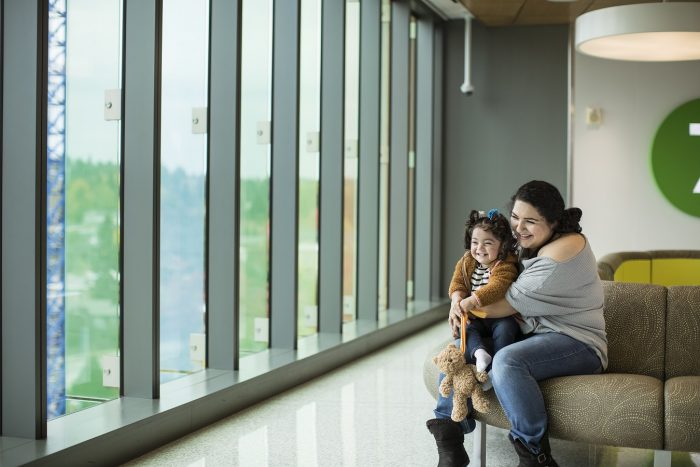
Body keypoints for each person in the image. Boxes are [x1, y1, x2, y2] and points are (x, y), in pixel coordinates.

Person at [426, 180, 607, 467]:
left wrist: (461, 306)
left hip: (577, 342)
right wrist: (457, 298)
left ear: (553, 222)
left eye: (530, 221)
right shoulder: (534, 242)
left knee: (507, 361)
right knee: (458, 353)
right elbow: (477, 264)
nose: (518, 228)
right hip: (534, 334)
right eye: (515, 218)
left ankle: (537, 456)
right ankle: (449, 444)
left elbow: (500, 304)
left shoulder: (560, 254)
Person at [446, 209, 519, 376]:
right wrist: (456, 300)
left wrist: (472, 300)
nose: (479, 248)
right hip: (475, 317)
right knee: (466, 328)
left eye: (487, 243)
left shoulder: (506, 265)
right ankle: (480, 353)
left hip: (499, 316)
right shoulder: (467, 261)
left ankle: (499, 365)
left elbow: (497, 287)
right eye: (474, 242)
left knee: (506, 328)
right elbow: (457, 283)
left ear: (502, 245)